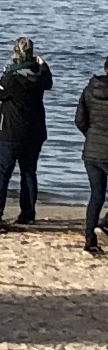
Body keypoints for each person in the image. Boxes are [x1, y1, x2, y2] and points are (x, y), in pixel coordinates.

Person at [0, 37, 53, 227]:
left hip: (11, 131)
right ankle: (28, 213)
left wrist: (6, 72)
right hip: (34, 132)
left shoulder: (12, 77)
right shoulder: (39, 75)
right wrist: (44, 66)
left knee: (3, 173)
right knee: (29, 172)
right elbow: (49, 82)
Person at [75, 56, 108, 255]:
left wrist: (91, 135)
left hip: (92, 150)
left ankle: (90, 240)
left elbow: (79, 120)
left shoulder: (89, 89)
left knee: (96, 194)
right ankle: (105, 225)